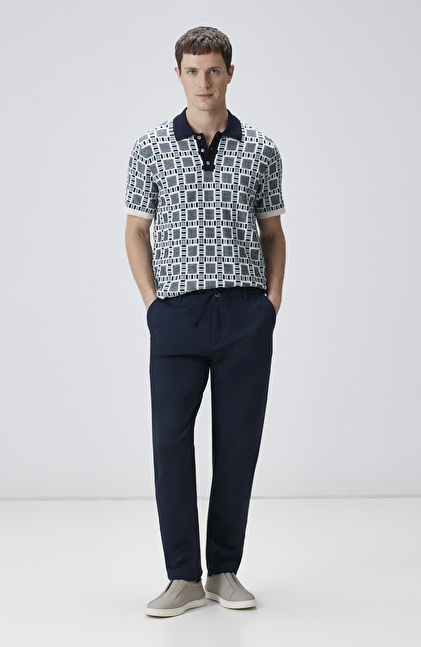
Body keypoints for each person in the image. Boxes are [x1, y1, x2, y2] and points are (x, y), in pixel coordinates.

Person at [125, 26, 286, 617]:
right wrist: (152, 303)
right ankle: (181, 577)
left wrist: (270, 303)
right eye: (192, 71)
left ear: (229, 73)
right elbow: (135, 231)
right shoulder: (150, 149)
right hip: (177, 314)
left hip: (245, 313)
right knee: (170, 443)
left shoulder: (261, 150)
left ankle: (223, 571)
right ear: (178, 75)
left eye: (213, 70)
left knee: (238, 443)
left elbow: (273, 234)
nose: (203, 82)